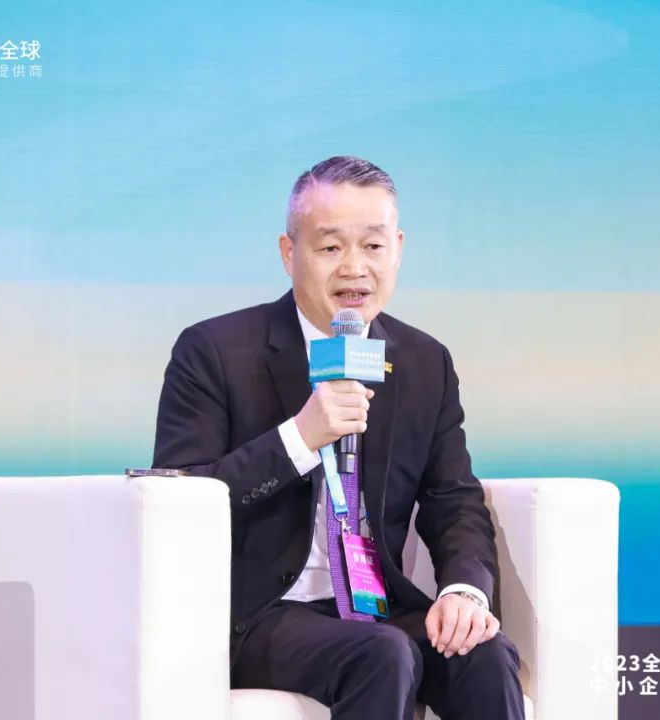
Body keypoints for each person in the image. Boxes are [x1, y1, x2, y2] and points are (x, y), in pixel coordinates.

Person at [153, 156, 524, 720]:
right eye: (330, 247)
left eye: (373, 246)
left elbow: (454, 500)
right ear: (289, 253)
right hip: (259, 615)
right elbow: (180, 502)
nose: (354, 268)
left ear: (398, 248)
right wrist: (299, 438)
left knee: (484, 654)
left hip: (375, 606)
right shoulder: (214, 352)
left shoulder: (424, 361)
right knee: (384, 654)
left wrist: (464, 590)